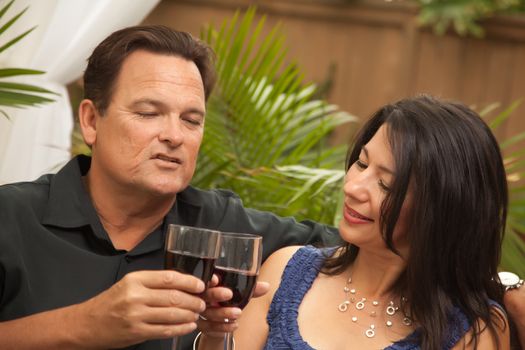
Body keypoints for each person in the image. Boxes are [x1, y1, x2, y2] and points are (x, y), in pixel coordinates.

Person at [0, 25, 338, 350]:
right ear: (91, 121)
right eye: (148, 113)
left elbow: (360, 250)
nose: (175, 136)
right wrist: (84, 324)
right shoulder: (10, 218)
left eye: (191, 120)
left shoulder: (224, 227)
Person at [197, 95, 513, 349]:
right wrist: (214, 335)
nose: (353, 187)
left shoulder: (472, 332)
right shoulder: (286, 271)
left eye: (386, 184)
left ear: (442, 211)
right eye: (361, 163)